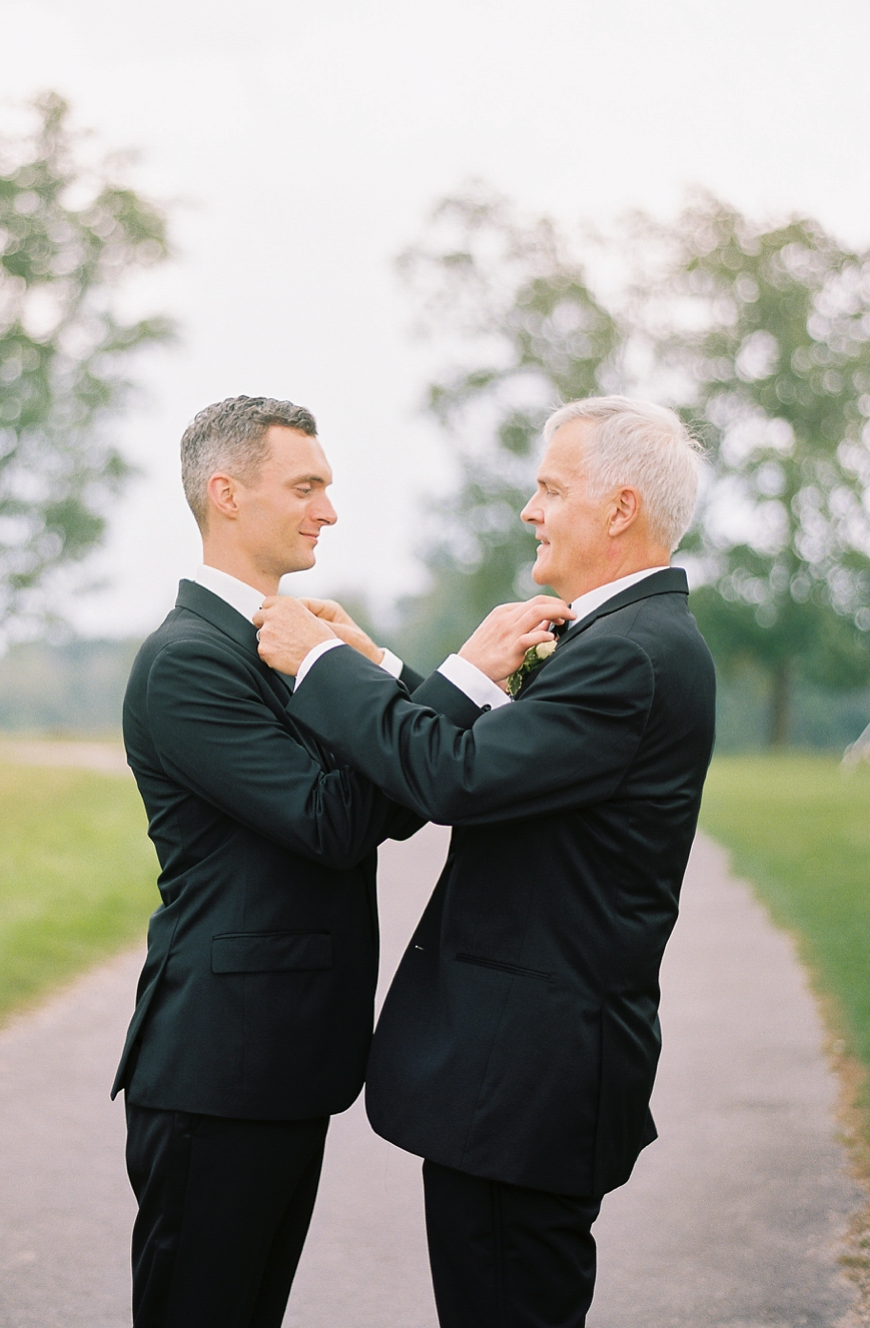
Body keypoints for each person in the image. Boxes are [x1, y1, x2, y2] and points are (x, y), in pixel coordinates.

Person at [255, 395, 717, 1328]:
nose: (530, 510)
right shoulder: (629, 640)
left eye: (550, 487)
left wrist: (316, 666)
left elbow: (458, 779)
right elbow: (516, 769)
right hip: (526, 1074)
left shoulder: (629, 654)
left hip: (526, 1080)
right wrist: (381, 667)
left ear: (620, 508)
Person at [112, 396, 435, 1328]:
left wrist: (360, 667)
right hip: (218, 1070)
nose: (327, 510)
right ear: (226, 495)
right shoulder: (189, 663)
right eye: (306, 486)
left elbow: (408, 802)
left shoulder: (290, 646)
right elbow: (337, 820)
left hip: (286, 1063)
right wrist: (447, 687)